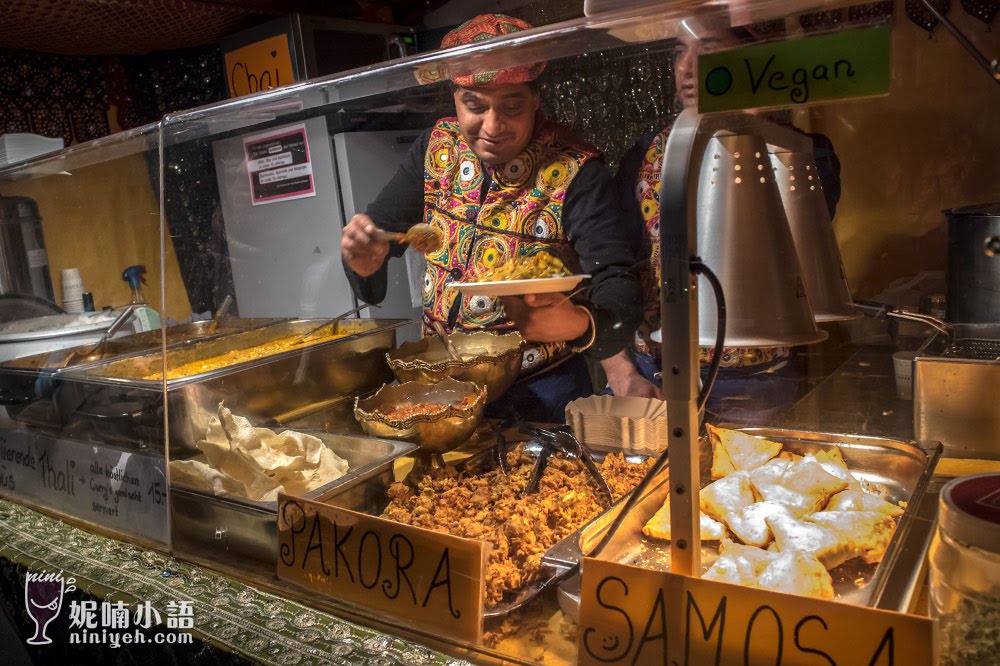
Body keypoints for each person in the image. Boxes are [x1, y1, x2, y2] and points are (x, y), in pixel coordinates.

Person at [341, 14, 643, 423]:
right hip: (444, 389)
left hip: (541, 390)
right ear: (455, 99)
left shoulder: (576, 169)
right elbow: (378, 240)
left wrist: (582, 323)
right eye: (475, 106)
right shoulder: (435, 149)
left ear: (536, 99)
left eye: (512, 106)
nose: (493, 126)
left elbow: (618, 280)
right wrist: (364, 262)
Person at [607, 23, 841, 419]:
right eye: (680, 51)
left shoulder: (799, 155)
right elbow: (614, 269)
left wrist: (747, 120)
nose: (685, 66)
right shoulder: (644, 157)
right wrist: (620, 371)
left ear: (755, 60)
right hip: (655, 374)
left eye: (709, 49)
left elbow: (798, 257)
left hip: (754, 380)